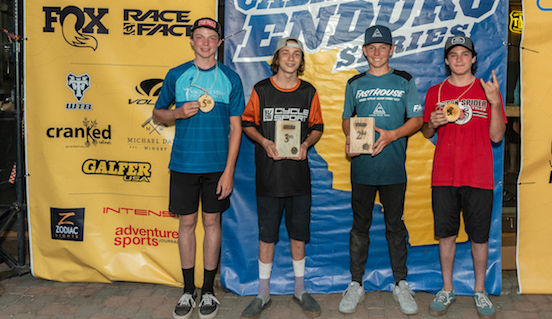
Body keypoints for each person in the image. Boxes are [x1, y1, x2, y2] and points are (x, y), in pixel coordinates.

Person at [153, 17, 244, 319]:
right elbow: (157, 113)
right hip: (184, 164)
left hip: (217, 167)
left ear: (219, 43)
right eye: (200, 37)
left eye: (211, 38)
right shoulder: (177, 75)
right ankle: (187, 290)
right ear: (192, 41)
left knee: (212, 224)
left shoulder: (230, 79)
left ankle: (208, 291)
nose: (205, 42)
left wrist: (229, 171)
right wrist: (177, 112)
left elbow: (236, 129)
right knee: (187, 225)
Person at [339, 25, 423, 316]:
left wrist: (392, 135)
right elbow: (346, 120)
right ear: (364, 50)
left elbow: (417, 120)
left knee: (395, 228)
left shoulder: (404, 80)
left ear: (391, 50)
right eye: (371, 47)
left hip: (392, 171)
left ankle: (401, 283)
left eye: (382, 47)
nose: (377, 52)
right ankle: (355, 284)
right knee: (359, 228)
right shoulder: (354, 83)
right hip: (362, 169)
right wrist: (350, 138)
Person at [420, 35, 506, 317]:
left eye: (464, 54)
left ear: (473, 59)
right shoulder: (436, 91)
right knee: (446, 235)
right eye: (453, 54)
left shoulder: (488, 90)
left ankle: (480, 291)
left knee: (479, 237)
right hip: (444, 175)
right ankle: (447, 289)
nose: (459, 59)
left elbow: (496, 136)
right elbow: (427, 132)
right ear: (446, 60)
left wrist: (494, 104)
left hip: (479, 176)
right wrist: (431, 123)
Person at [240, 37, 324, 319]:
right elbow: (247, 123)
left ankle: (299, 289)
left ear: (301, 61)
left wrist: (306, 144)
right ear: (277, 58)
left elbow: (317, 127)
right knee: (267, 236)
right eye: (285, 53)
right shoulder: (261, 90)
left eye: (296, 54)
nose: (291, 58)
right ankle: (263, 293)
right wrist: (264, 142)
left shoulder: (309, 91)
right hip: (269, 176)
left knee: (298, 234)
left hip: (298, 178)